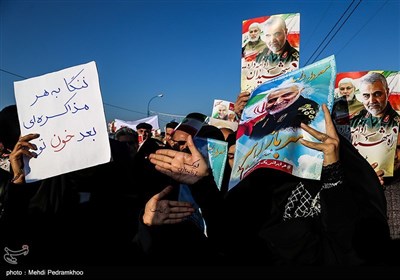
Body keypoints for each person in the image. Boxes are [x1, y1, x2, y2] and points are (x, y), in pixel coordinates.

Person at [149, 104, 391, 266]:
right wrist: (202, 183)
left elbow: (356, 247)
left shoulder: (341, 169)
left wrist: (332, 170)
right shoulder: (261, 178)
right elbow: (230, 238)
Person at [350, 72, 400, 177]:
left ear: (387, 92)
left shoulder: (397, 122)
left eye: (377, 94)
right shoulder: (353, 121)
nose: (372, 101)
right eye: (366, 96)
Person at [238, 81, 319, 139]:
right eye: (272, 100)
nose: (278, 102)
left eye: (286, 95)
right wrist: (241, 116)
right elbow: (253, 139)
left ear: (298, 93)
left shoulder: (308, 107)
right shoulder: (265, 120)